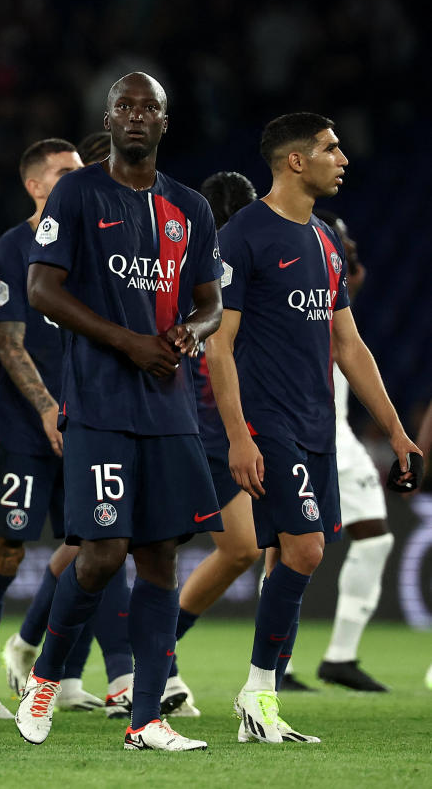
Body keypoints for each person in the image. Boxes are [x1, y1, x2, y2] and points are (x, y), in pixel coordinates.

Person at [15, 72, 223, 752]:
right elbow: (41, 290)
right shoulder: (78, 192)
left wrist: (191, 330)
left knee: (161, 558)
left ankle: (146, 719)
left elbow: (210, 299)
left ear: (165, 121)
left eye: (149, 108)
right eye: (124, 107)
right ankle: (46, 676)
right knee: (101, 556)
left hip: (168, 410)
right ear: (108, 119)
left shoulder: (189, 206)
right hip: (101, 404)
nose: (136, 116)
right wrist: (129, 341)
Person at [211, 112, 420, 744]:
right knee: (304, 549)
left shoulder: (326, 240)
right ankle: (258, 692)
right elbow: (219, 347)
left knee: (294, 555)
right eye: (331, 148)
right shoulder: (245, 236)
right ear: (295, 161)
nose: (343, 158)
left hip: (316, 426)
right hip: (267, 420)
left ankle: (260, 697)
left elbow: (349, 345)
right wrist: (239, 436)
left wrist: (397, 429)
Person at [0, 137, 118, 718]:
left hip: (88, 422)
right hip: (25, 429)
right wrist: (50, 408)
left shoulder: (95, 245)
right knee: (5, 550)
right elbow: (9, 343)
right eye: (64, 174)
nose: (78, 181)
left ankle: (55, 674)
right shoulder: (13, 247)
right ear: (34, 186)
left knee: (89, 547)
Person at [158, 170, 262, 719]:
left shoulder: (244, 268)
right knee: (134, 552)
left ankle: (160, 651)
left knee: (242, 546)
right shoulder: (185, 266)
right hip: (182, 423)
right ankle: (45, 657)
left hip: (221, 428)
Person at [312, 210, 396, 692]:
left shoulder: (331, 295)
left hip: (336, 431)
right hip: (310, 429)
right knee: (283, 549)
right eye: (345, 251)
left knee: (373, 536)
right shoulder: (301, 286)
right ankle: (284, 664)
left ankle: (337, 657)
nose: (352, 261)